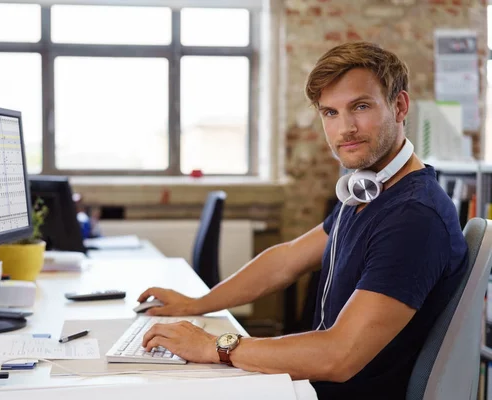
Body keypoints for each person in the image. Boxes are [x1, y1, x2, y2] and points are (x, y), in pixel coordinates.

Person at [138, 41, 469, 400]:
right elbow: (286, 260)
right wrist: (196, 304)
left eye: (360, 106)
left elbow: (338, 355)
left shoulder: (412, 217)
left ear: (400, 106)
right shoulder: (368, 191)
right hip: (310, 386)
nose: (345, 129)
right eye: (330, 113)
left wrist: (216, 346)